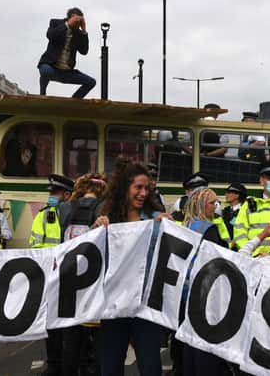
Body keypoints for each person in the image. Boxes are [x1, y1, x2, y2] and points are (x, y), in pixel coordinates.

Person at [93, 157, 171, 376]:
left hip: (144, 306)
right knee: (110, 366)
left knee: (150, 366)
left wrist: (169, 228)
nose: (143, 193)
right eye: (138, 187)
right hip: (114, 305)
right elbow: (89, 255)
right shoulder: (107, 219)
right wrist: (95, 229)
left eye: (147, 188)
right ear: (125, 188)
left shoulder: (156, 219)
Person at [55, 173, 107, 376]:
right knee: (97, 339)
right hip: (93, 280)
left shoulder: (64, 208)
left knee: (71, 339)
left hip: (67, 278)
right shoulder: (104, 210)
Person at [28, 174, 74, 376]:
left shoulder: (76, 214)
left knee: (72, 326)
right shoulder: (44, 215)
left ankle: (71, 364)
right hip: (50, 277)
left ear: (67, 194)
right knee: (52, 325)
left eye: (55, 193)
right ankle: (54, 365)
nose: (51, 196)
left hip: (73, 277)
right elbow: (34, 244)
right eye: (51, 193)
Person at [180, 188, 229, 376]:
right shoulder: (209, 229)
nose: (215, 206)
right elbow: (216, 263)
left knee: (190, 342)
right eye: (212, 203)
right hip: (206, 293)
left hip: (188, 292)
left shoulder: (188, 225)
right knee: (205, 346)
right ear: (201, 205)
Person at [38, 7, 96, 98]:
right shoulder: (55, 23)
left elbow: (84, 51)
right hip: (51, 67)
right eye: (77, 20)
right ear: (72, 16)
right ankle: (42, 95)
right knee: (45, 71)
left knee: (91, 82)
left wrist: (84, 31)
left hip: (66, 72)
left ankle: (74, 101)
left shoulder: (78, 33)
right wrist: (68, 25)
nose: (78, 24)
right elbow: (51, 35)